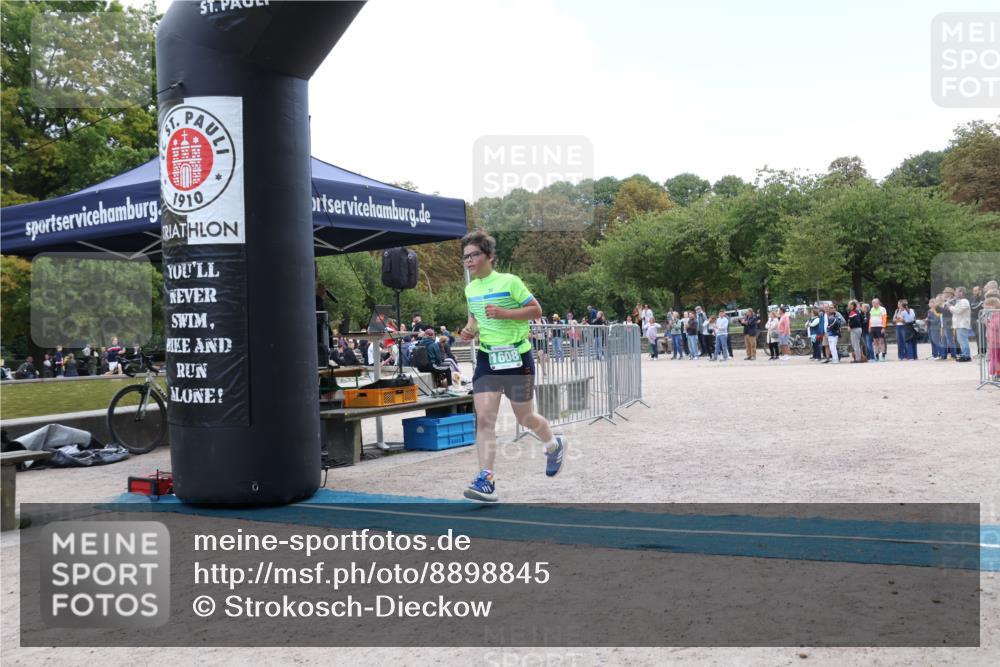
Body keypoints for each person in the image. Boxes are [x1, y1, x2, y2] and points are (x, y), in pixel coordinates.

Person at [459, 230, 566, 502]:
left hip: (517, 358)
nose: (469, 261)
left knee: (525, 418)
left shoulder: (509, 281)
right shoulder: (471, 289)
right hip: (487, 358)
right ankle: (486, 478)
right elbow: (475, 318)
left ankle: (553, 445)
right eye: (465, 257)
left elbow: (536, 310)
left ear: (489, 257)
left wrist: (506, 314)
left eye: (474, 255)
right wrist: (469, 330)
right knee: (484, 419)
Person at [943, 287, 973, 362]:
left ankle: (967, 356)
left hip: (962, 324)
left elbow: (958, 311)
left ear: (961, 292)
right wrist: (949, 305)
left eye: (956, 292)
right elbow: (954, 312)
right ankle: (964, 354)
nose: (955, 294)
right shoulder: (959, 302)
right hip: (958, 324)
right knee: (960, 341)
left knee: (963, 340)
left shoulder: (964, 301)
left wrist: (950, 306)